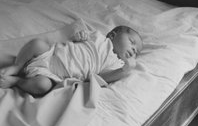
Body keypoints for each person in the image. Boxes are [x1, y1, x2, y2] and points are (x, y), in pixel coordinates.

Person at [0, 25, 143, 97]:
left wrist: (124, 70)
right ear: (113, 35)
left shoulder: (116, 63)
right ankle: (17, 66)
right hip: (50, 55)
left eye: (136, 51)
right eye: (132, 42)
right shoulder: (98, 37)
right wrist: (78, 36)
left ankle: (17, 81)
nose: (134, 49)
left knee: (41, 86)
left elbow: (101, 77)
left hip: (52, 75)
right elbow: (71, 41)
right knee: (37, 43)